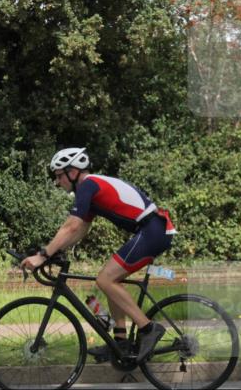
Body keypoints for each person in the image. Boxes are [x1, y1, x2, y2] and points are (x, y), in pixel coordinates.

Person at [20, 147, 176, 363]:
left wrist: (43, 255)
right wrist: (56, 251)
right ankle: (120, 341)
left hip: (153, 231)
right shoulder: (90, 189)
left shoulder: (88, 185)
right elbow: (81, 229)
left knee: (105, 279)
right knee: (111, 280)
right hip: (151, 230)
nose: (57, 182)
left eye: (59, 176)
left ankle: (148, 328)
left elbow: (71, 226)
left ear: (72, 172)